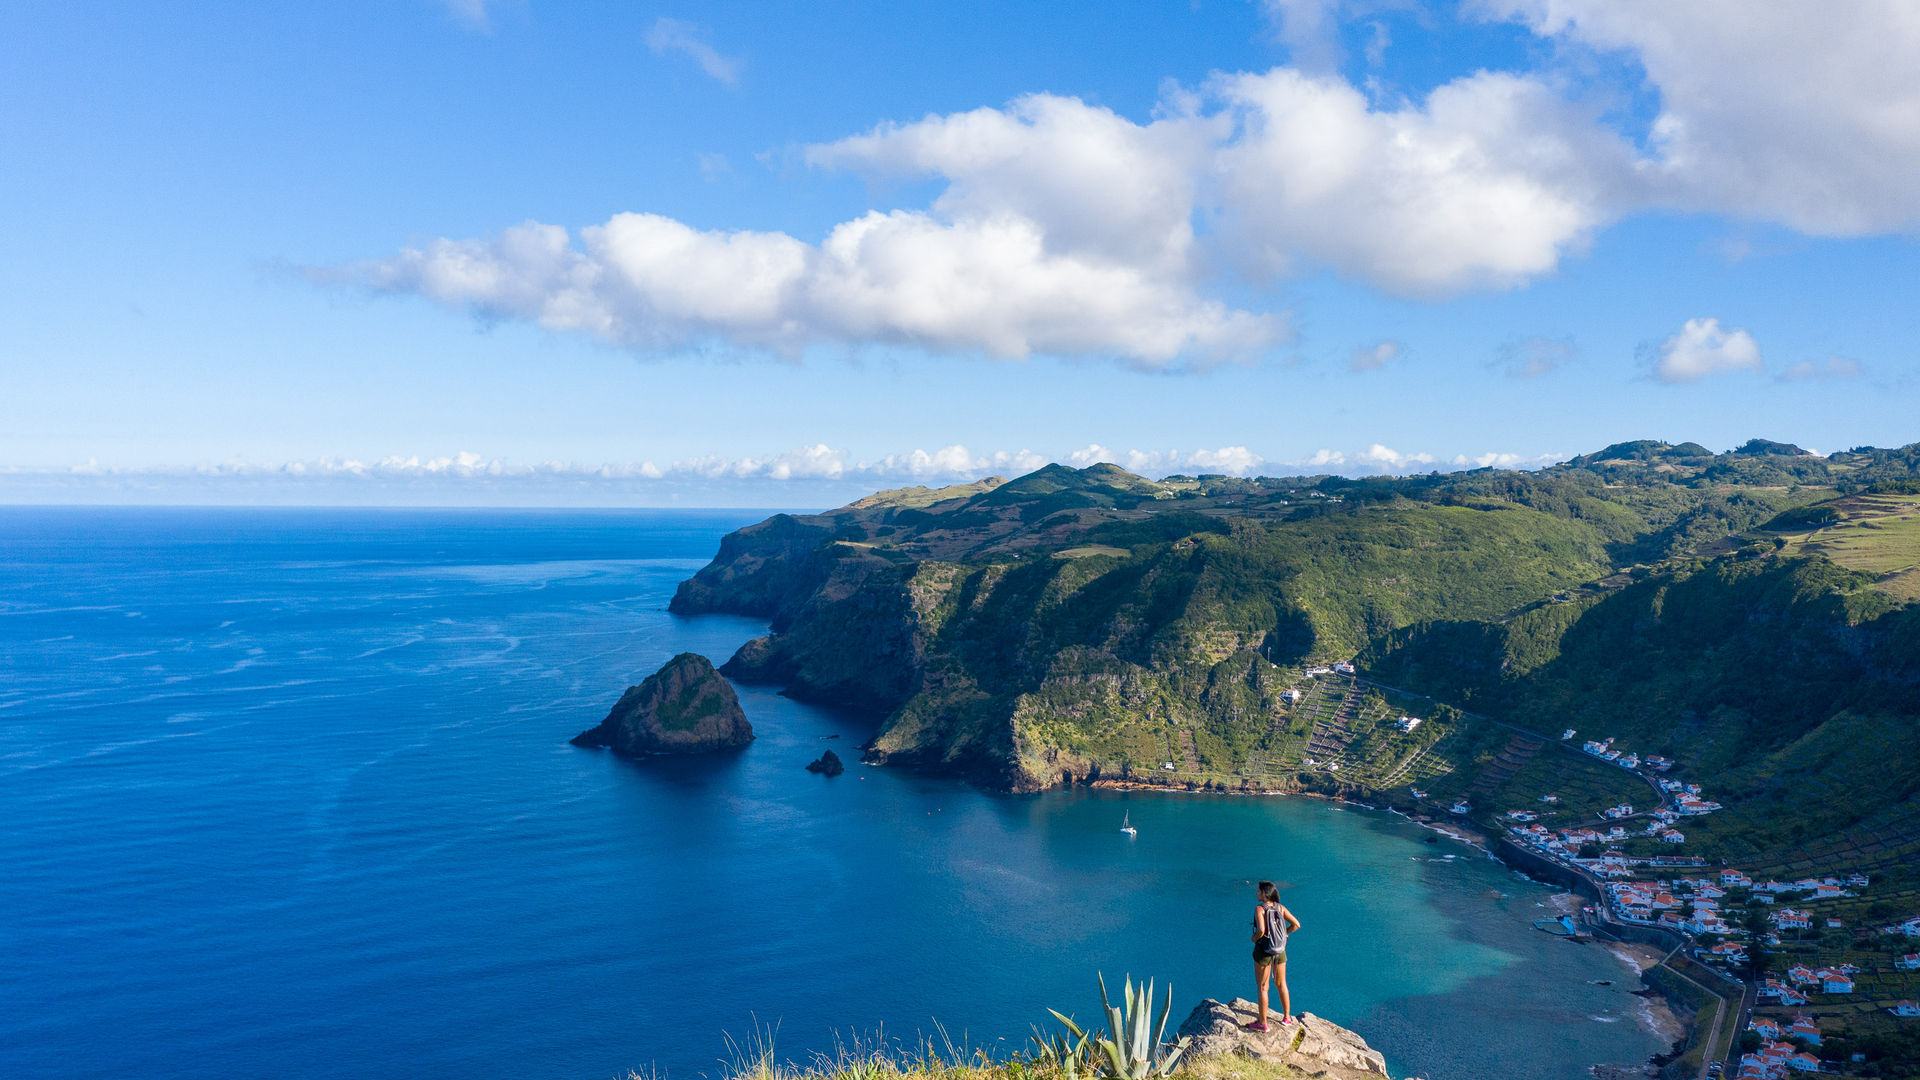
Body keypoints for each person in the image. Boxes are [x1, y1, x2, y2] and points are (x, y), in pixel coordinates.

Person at [1247, 880, 1301, 1032]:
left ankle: (1263, 1023)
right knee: (1281, 983)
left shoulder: (1259, 909)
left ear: (1264, 893)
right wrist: (1283, 935)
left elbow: (1261, 931)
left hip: (1264, 951)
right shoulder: (1281, 907)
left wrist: (1254, 939)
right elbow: (1296, 924)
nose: (1256, 893)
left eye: (1258, 891)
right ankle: (1287, 1018)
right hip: (1280, 950)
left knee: (1263, 987)